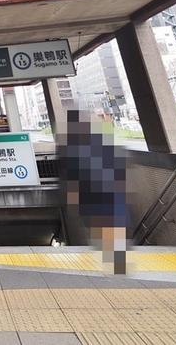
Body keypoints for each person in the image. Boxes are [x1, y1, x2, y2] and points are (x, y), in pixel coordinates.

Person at [60, 109, 127, 274]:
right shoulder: (101, 142)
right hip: (105, 198)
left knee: (101, 232)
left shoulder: (72, 147)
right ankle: (116, 266)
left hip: (93, 199)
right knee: (110, 232)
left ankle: (112, 266)